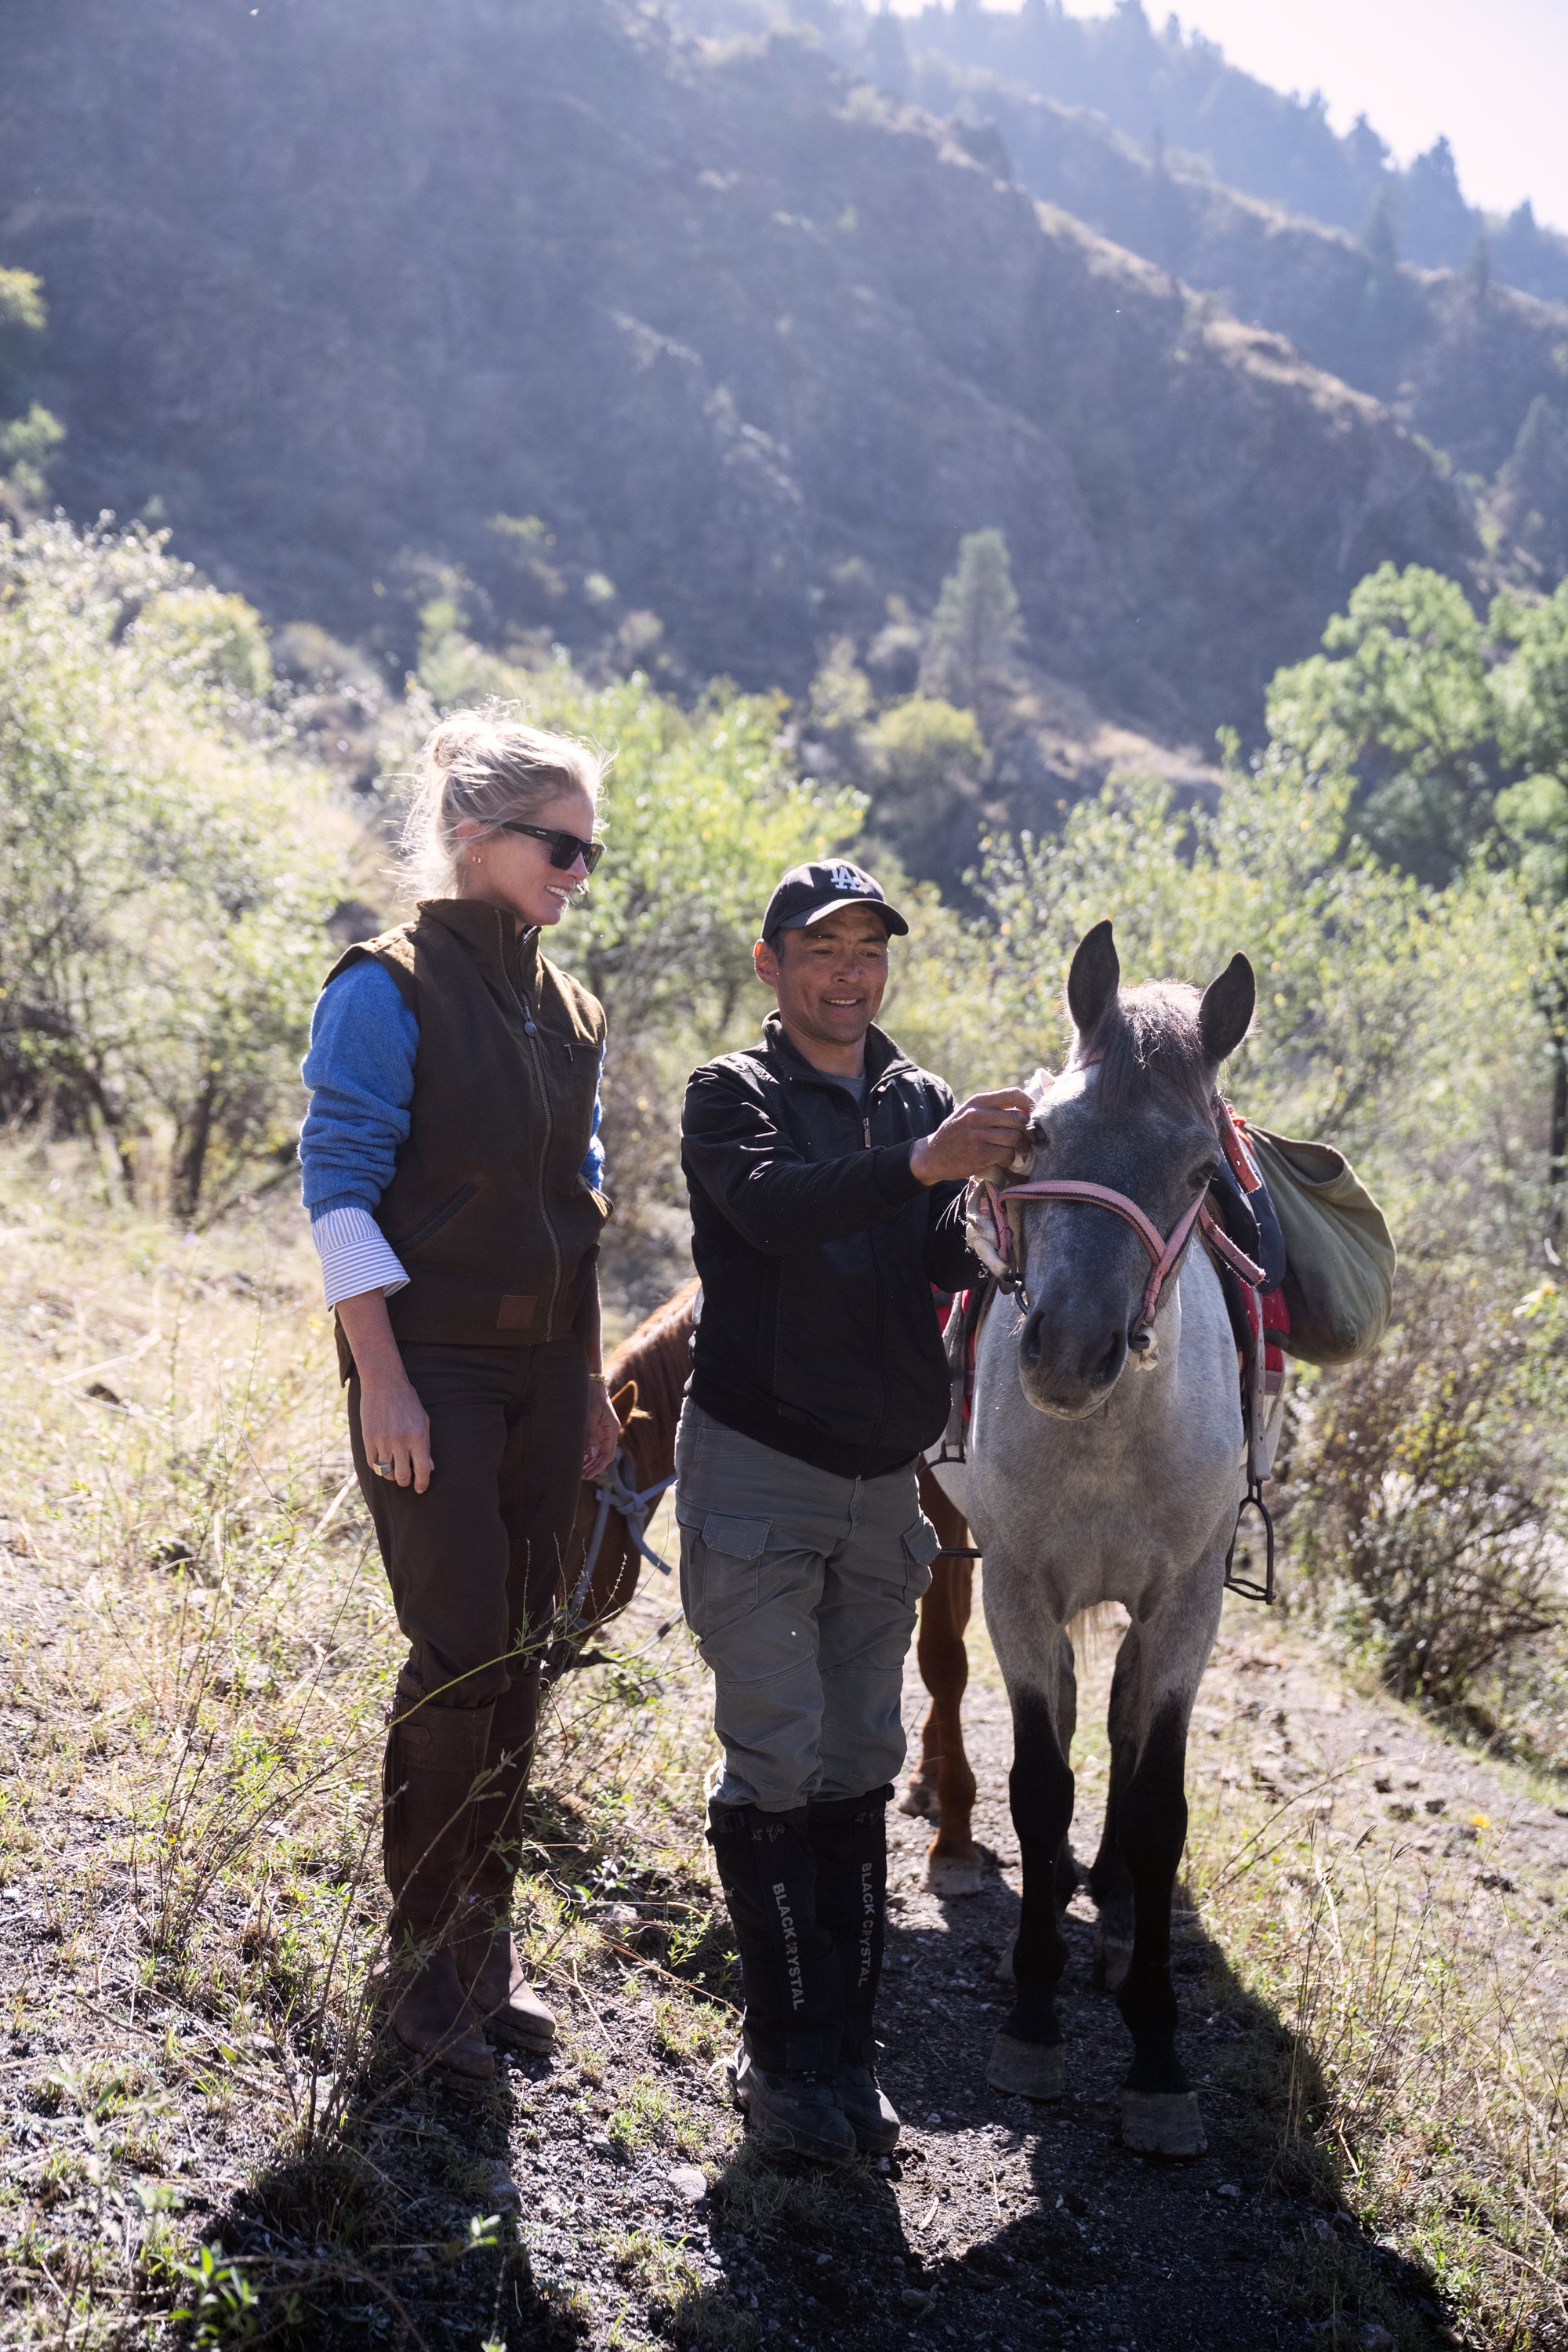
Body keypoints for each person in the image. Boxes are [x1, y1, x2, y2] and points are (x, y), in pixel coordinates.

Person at [677, 858, 1033, 2161]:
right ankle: (779, 2068)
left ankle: (844, 2055)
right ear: (772, 965)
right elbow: (770, 1216)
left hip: (888, 1489)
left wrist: (984, 1214)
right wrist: (922, 1162)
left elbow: (924, 1253)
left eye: (869, 950)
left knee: (860, 1763)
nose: (849, 972)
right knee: (773, 1758)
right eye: (822, 948)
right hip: (761, 1471)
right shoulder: (733, 1093)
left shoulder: (912, 1092)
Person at [298, 708, 621, 2083]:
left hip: (550, 1373)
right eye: (560, 845)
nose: (579, 871)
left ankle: (485, 1945)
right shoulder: (386, 986)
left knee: (534, 1641)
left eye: (592, 853)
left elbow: (583, 1207)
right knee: (462, 1650)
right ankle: (424, 1974)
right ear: (478, 837)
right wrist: (384, 1380)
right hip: (428, 1365)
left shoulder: (572, 1009)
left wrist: (592, 1384)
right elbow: (336, 1192)